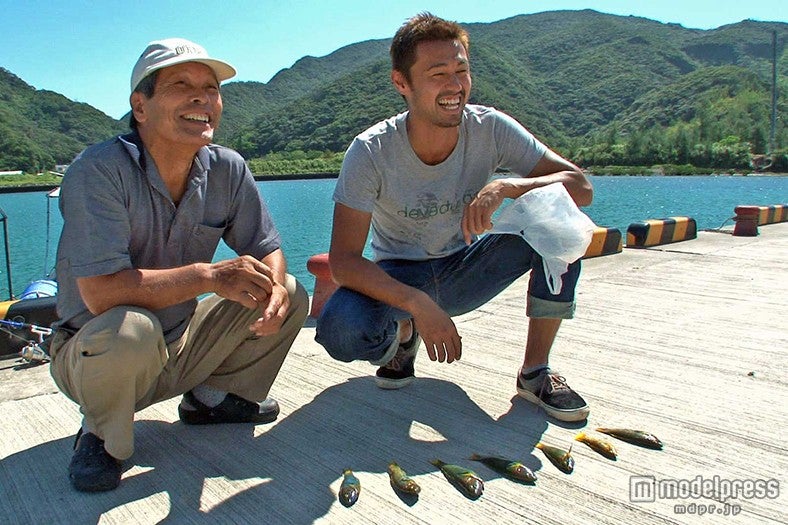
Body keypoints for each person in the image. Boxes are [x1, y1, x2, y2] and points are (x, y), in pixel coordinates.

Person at [48, 38, 309, 492]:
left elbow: (266, 244)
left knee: (286, 287)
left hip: (181, 342)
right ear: (140, 106)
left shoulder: (227, 168)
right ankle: (101, 434)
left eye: (211, 88)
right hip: (98, 355)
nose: (202, 98)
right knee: (131, 328)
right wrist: (209, 277)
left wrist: (276, 284)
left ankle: (212, 400)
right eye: (181, 85)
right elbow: (102, 293)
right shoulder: (98, 171)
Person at [315, 13, 593, 423]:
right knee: (340, 330)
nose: (454, 85)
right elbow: (344, 262)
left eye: (461, 70)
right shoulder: (371, 151)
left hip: (466, 266)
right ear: (401, 83)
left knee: (559, 227)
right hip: (399, 273)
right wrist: (415, 303)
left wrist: (509, 187)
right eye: (437, 73)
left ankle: (535, 374)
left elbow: (581, 187)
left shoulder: (491, 128)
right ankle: (403, 336)